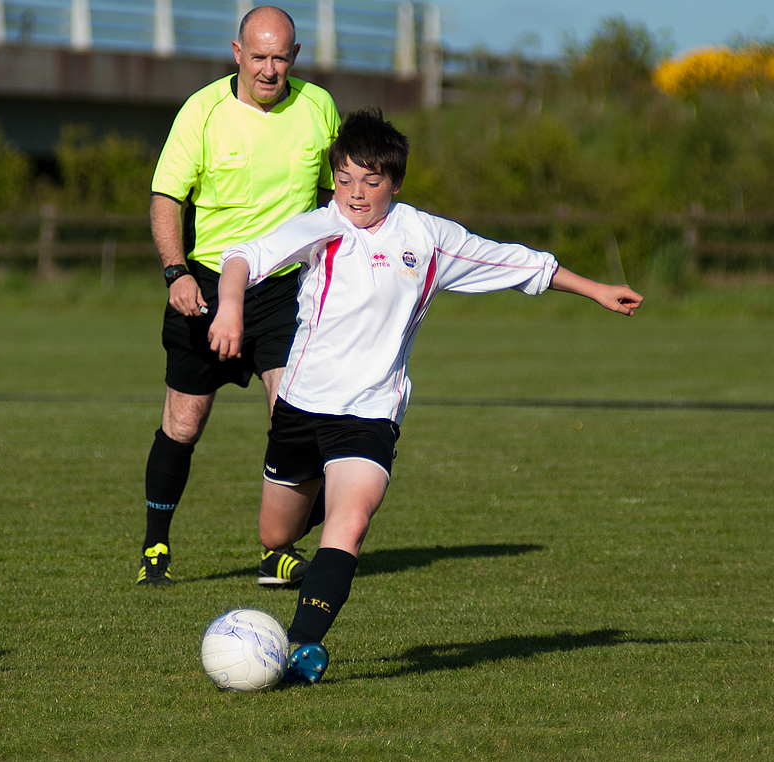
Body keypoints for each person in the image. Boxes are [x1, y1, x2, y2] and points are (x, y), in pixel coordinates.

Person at [208, 108, 644, 684]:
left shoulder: (427, 237)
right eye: (344, 179)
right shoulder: (320, 226)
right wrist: (232, 308)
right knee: (276, 535)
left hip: (370, 412)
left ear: (395, 182)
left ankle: (300, 645)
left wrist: (595, 290)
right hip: (300, 407)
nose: (355, 194)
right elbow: (241, 257)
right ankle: (314, 497)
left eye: (370, 181)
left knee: (352, 522)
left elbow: (514, 261)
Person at [137, 6, 340, 587]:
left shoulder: (318, 107)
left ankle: (278, 551)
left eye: (281, 57)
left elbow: (335, 199)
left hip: (283, 292)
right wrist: (175, 273)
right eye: (259, 57)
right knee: (184, 420)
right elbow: (166, 197)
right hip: (203, 285)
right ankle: (156, 548)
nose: (270, 70)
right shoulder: (201, 112)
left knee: (296, 421)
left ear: (295, 57)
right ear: (237, 53)